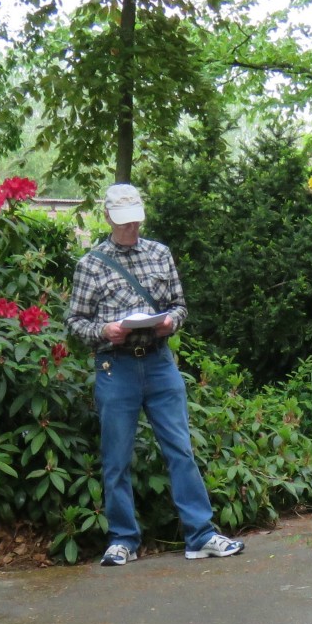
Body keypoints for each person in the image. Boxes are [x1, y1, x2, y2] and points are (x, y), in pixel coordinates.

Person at [64, 182, 244, 567]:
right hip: (117, 366)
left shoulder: (160, 254)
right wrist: (105, 332)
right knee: (116, 457)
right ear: (109, 217)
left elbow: (179, 305)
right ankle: (123, 539)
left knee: (180, 448)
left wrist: (170, 324)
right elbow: (75, 322)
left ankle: (201, 535)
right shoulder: (91, 265)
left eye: (137, 221)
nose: (133, 228)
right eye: (125, 222)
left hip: (160, 362)